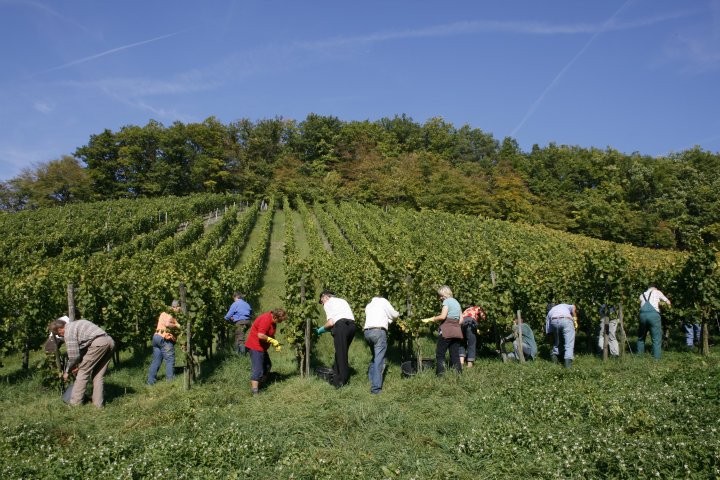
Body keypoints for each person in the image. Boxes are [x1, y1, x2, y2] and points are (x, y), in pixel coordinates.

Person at [48, 318, 115, 407]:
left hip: (99, 344)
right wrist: (78, 365)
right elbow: (85, 348)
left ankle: (75, 403)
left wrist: (67, 371)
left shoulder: (68, 332)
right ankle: (98, 405)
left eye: (58, 334)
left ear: (60, 329)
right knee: (98, 375)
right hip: (110, 342)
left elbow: (73, 356)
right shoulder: (77, 324)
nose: (60, 336)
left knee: (83, 373)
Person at [316, 290, 356, 387]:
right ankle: (336, 374)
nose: (322, 304)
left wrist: (320, 330)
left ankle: (341, 382)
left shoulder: (328, 303)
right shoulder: (342, 301)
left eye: (321, 301)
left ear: (325, 297)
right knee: (341, 351)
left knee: (341, 354)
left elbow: (331, 323)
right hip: (352, 327)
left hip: (341, 326)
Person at [245, 308, 287, 395]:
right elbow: (260, 335)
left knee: (267, 366)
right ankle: (255, 391)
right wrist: (272, 340)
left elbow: (270, 335)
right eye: (280, 320)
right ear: (275, 317)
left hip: (262, 347)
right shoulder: (266, 319)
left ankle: (261, 385)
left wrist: (275, 343)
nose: (280, 322)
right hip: (255, 346)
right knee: (258, 369)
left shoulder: (273, 322)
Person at [422, 285, 463, 375]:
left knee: (440, 353)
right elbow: (461, 320)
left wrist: (431, 319)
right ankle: (458, 374)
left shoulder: (446, 301)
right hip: (457, 331)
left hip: (446, 331)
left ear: (444, 294)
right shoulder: (457, 302)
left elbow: (443, 316)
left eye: (440, 296)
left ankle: (440, 374)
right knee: (455, 354)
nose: (440, 298)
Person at [363, 296, 399, 394]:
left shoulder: (369, 305)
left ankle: (371, 380)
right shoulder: (383, 301)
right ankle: (376, 389)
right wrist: (397, 314)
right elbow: (394, 314)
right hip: (378, 332)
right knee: (379, 359)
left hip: (367, 332)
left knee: (375, 356)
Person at [147, 300, 182, 385]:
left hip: (156, 337)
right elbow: (167, 324)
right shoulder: (172, 314)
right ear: (176, 307)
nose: (180, 310)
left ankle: (150, 382)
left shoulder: (163, 313)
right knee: (170, 360)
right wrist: (177, 325)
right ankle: (170, 382)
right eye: (180, 308)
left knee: (156, 360)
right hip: (165, 339)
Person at [637, 285, 671, 359]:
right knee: (656, 338)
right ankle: (656, 358)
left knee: (641, 337)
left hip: (642, 316)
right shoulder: (657, 292)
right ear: (655, 288)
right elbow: (668, 302)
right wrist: (663, 305)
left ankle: (639, 356)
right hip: (654, 316)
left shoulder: (642, 295)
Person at [545, 303, 577, 369]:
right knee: (569, 344)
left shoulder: (549, 313)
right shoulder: (563, 305)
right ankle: (568, 367)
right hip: (566, 320)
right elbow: (574, 307)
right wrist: (575, 319)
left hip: (554, 321)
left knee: (557, 341)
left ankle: (555, 361)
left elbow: (549, 332)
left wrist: (551, 342)